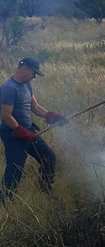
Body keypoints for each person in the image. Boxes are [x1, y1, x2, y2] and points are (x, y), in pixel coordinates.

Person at [0, 57, 68, 201]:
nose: (35, 76)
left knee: (48, 157)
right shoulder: (8, 88)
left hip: (27, 131)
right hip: (13, 134)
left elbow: (35, 107)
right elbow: (6, 116)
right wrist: (21, 132)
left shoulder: (27, 85)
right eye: (34, 73)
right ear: (25, 69)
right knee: (15, 170)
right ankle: (5, 201)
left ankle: (45, 190)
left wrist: (51, 116)